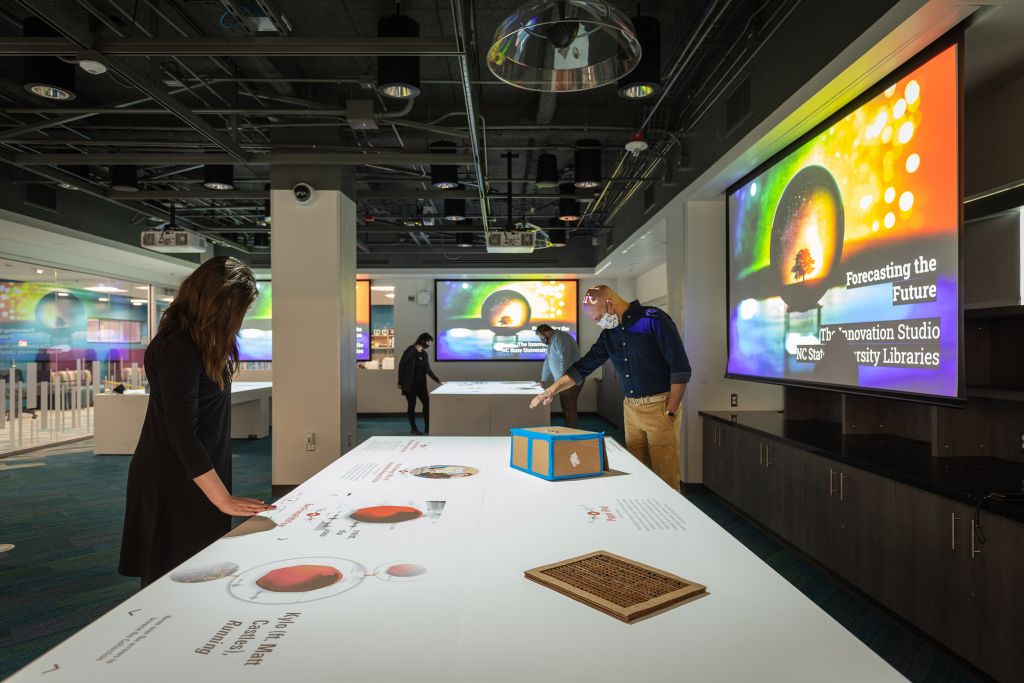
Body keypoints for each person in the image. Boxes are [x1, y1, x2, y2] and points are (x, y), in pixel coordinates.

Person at [119, 257, 274, 587]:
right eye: (240, 310)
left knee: (200, 569)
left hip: (199, 471)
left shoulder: (200, 344)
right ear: (219, 305)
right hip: (175, 476)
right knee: (171, 576)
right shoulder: (179, 346)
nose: (241, 319)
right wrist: (222, 499)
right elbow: (181, 430)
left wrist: (219, 496)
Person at [530, 285, 691, 490]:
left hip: (659, 407)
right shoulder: (609, 334)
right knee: (638, 471)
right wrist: (549, 391)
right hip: (631, 409)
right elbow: (583, 366)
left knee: (665, 474)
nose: (598, 323)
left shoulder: (653, 320)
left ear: (610, 304)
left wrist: (670, 411)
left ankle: (672, 520)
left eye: (598, 318)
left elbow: (680, 369)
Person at [535, 323, 582, 428]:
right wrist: (543, 380)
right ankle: (570, 429)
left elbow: (565, 359)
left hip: (569, 379)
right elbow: (548, 361)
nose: (542, 341)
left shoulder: (560, 338)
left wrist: (561, 380)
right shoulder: (551, 342)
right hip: (563, 379)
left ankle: (572, 433)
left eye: (542, 338)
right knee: (567, 406)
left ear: (547, 332)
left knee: (569, 406)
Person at [398, 332, 443, 435]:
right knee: (412, 405)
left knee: (427, 404)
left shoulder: (424, 353)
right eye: (428, 342)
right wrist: (400, 381)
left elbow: (427, 369)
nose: (429, 345)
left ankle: (428, 428)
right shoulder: (410, 350)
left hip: (421, 385)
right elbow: (402, 366)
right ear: (423, 340)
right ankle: (413, 429)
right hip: (409, 385)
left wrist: (438, 380)